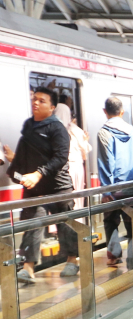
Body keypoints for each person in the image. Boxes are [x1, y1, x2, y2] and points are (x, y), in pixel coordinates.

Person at [6, 86, 79, 283]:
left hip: (59, 188)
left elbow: (61, 157)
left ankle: (72, 260)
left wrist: (38, 174)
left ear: (52, 107)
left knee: (65, 225)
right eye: (34, 99)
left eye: (41, 100)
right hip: (35, 191)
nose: (35, 103)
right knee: (32, 224)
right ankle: (28, 268)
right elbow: (15, 167)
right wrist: (21, 177)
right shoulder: (28, 131)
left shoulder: (57, 129)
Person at [97, 96, 133, 268]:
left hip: (115, 186)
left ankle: (114, 255)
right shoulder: (132, 130)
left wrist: (106, 191)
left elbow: (105, 162)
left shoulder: (104, 132)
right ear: (122, 112)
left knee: (110, 220)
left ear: (104, 111)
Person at [54, 103, 90, 210]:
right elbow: (85, 154)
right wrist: (86, 141)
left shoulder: (53, 129)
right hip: (77, 169)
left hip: (62, 170)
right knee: (77, 201)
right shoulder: (77, 130)